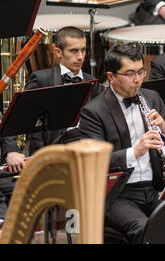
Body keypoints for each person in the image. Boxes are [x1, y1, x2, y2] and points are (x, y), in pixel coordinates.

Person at [78, 43, 165, 243]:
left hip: (154, 188)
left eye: (141, 71)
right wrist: (135, 151)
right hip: (118, 195)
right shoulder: (94, 112)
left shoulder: (151, 98)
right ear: (111, 76)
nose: (138, 79)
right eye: (130, 73)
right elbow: (94, 160)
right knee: (145, 229)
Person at [0, 26, 103, 172]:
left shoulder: (92, 83)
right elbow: (15, 117)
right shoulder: (42, 79)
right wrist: (10, 151)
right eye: (74, 51)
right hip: (49, 155)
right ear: (58, 52)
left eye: (83, 50)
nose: (80, 56)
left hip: (85, 157)